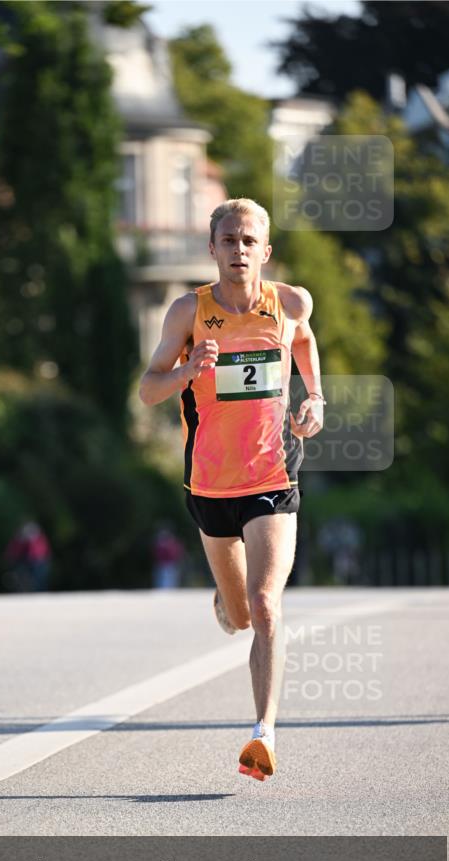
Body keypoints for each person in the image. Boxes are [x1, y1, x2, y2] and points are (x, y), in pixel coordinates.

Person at [139, 198, 324, 782]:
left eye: (249, 241)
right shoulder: (187, 312)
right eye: (228, 240)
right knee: (242, 614)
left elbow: (303, 342)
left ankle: (263, 733)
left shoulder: (290, 303)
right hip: (210, 482)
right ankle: (227, 599)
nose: (239, 250)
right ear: (212, 249)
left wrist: (316, 398)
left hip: (273, 474)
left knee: (267, 604)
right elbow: (147, 389)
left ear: (265, 250)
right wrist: (186, 372)